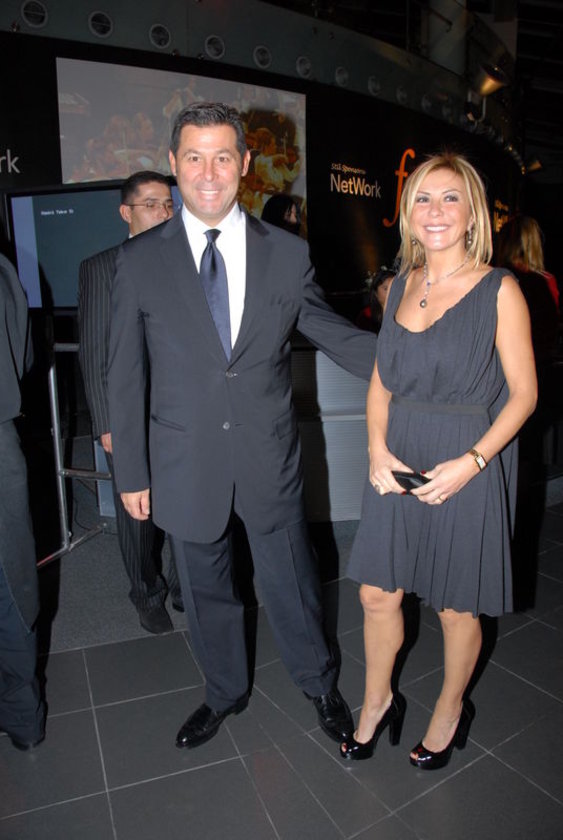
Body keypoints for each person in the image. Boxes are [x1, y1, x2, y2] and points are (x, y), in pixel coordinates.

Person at [107, 102, 377, 750]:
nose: (208, 173)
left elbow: (333, 333)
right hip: (183, 460)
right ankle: (223, 691)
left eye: (222, 157)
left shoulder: (285, 253)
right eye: (194, 157)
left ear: (245, 164)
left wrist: (422, 364)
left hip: (266, 454)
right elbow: (124, 373)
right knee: (205, 592)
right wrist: (132, 472)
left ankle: (319, 684)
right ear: (173, 164)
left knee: (292, 583)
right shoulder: (139, 261)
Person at [340, 152, 537, 769]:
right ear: (408, 213)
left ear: (473, 213)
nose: (436, 211)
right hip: (396, 451)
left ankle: (451, 709)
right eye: (423, 198)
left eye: (451, 198)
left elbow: (525, 395)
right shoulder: (401, 284)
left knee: (456, 605)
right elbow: (381, 383)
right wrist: (376, 448)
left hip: (467, 457)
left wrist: (471, 462)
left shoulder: (500, 289)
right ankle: (378, 700)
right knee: (376, 595)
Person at [78, 170, 183, 635]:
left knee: (184, 503)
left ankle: (183, 585)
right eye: (152, 204)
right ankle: (146, 592)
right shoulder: (102, 267)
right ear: (127, 212)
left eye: (169, 204)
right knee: (137, 516)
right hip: (129, 417)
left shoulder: (188, 263)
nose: (164, 212)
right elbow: (95, 350)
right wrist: (107, 424)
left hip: (182, 413)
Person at [0, 250, 45, 751]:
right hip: (2, 448)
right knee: (11, 587)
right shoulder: (4, 270)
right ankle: (23, 719)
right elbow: (25, 356)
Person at [355, 266, 395, 333]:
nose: (391, 292)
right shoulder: (366, 317)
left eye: (394, 288)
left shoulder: (405, 313)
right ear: (376, 293)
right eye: (386, 289)